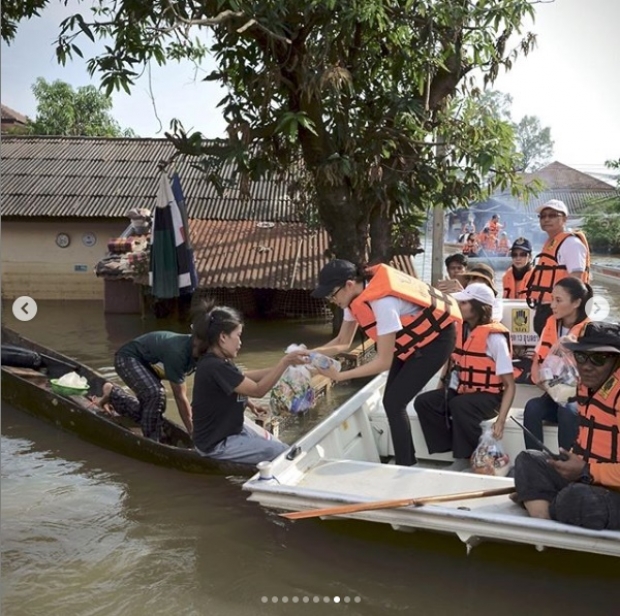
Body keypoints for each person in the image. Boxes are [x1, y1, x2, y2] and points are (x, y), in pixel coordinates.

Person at [309, 260, 462, 466]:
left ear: (348, 284)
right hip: (409, 341)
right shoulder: (352, 299)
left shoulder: (383, 302)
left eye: (332, 293)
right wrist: (307, 354)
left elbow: (383, 362)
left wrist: (340, 376)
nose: (331, 299)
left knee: (394, 402)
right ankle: (407, 460)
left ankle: (406, 464)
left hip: (438, 340)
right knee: (392, 401)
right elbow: (342, 342)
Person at [512, 321, 620, 530]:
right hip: (588, 479)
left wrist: (586, 471)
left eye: (598, 359)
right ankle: (544, 529)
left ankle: (544, 506)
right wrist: (569, 463)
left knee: (575, 498)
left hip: (606, 488)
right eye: (581, 357)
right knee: (528, 460)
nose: (587, 366)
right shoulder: (587, 387)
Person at [414, 283, 516, 471]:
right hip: (465, 391)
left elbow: (510, 385)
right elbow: (453, 364)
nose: (459, 305)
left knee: (459, 405)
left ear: (479, 307)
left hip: (491, 398)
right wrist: (440, 386)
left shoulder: (495, 339)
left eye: (464, 303)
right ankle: (450, 447)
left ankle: (466, 456)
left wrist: (500, 420)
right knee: (424, 402)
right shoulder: (461, 329)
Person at [190, 305, 307, 465]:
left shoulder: (220, 362)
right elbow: (258, 390)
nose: (240, 342)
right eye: (238, 336)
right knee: (282, 453)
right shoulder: (214, 366)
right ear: (223, 337)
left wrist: (286, 368)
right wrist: (285, 362)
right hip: (216, 444)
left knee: (281, 447)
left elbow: (243, 379)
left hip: (230, 432)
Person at [523, 278, 592, 451]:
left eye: (558, 300)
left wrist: (557, 388)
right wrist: (539, 377)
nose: (552, 305)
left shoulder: (590, 331)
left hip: (578, 398)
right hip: (552, 391)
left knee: (567, 410)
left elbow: (590, 376)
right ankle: (534, 459)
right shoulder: (551, 323)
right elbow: (538, 357)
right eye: (552, 299)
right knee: (532, 407)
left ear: (576, 302)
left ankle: (565, 463)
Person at [94, 330, 200, 441]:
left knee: (152, 411)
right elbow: (180, 397)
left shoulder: (208, 355)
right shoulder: (178, 353)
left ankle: (113, 394)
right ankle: (152, 439)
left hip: (149, 365)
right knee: (155, 394)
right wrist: (192, 431)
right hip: (127, 358)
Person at [524, 200, 591, 336]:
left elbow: (576, 281)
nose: (546, 219)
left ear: (564, 219)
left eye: (552, 215)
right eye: (543, 216)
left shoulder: (571, 244)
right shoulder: (551, 243)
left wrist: (568, 316)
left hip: (561, 313)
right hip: (546, 308)